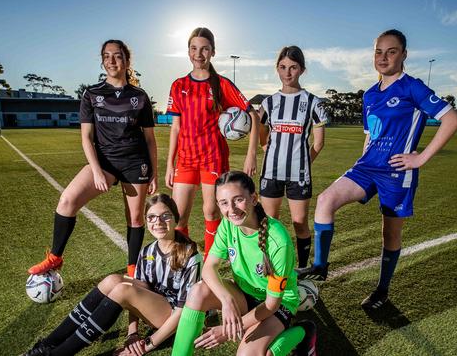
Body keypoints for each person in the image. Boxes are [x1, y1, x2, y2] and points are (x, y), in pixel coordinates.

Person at [297, 29, 457, 310]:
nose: (383, 57)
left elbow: (452, 119)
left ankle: (382, 291)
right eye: (378, 52)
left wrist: (420, 158)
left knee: (390, 234)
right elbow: (369, 133)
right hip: (366, 168)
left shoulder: (412, 87)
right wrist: (363, 157)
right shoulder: (371, 94)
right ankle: (320, 266)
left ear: (403, 55)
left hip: (396, 172)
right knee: (325, 200)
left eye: (391, 51)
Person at [27, 40, 158, 277]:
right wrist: (97, 171)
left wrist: (154, 173)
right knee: (67, 200)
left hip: (134, 162)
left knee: (136, 218)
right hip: (104, 161)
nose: (111, 61)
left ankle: (132, 269)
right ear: (102, 60)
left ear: (127, 61)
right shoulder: (92, 93)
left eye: (117, 56)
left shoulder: (140, 96)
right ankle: (55, 258)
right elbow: (87, 137)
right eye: (106, 56)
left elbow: (149, 139)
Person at [24, 193, 202, 356]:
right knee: (112, 281)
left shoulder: (190, 255)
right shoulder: (147, 251)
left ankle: (57, 355)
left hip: (174, 316)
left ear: (175, 217)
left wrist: (148, 344)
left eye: (165, 216)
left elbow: (182, 313)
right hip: (156, 304)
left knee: (123, 290)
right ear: (147, 222)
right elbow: (138, 298)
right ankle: (47, 344)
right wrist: (133, 333)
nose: (159, 222)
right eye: (152, 217)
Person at [170, 171, 316, 356]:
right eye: (224, 203)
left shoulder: (279, 242)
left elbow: (271, 304)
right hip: (244, 296)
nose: (231, 209)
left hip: (278, 304)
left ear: (254, 198)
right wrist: (227, 299)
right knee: (198, 290)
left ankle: (303, 332)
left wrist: (225, 330)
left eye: (238, 199)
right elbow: (209, 268)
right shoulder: (227, 224)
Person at [164, 27, 260, 260]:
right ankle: (182, 262)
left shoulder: (222, 84)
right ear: (188, 52)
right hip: (185, 160)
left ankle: (210, 262)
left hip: (212, 157)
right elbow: (176, 128)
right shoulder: (178, 85)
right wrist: (170, 164)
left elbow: (253, 116)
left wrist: (251, 155)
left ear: (212, 52)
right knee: (179, 217)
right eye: (194, 48)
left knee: (211, 210)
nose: (199, 54)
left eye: (204, 49)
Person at [258, 46, 327, 268]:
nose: (288, 73)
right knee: (269, 224)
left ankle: (303, 267)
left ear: (302, 70)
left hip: (299, 175)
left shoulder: (314, 102)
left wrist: (303, 163)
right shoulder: (268, 103)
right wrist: (266, 148)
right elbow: (261, 136)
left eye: (293, 67)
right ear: (277, 69)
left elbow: (318, 143)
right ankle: (270, 267)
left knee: (299, 223)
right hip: (270, 172)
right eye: (283, 67)